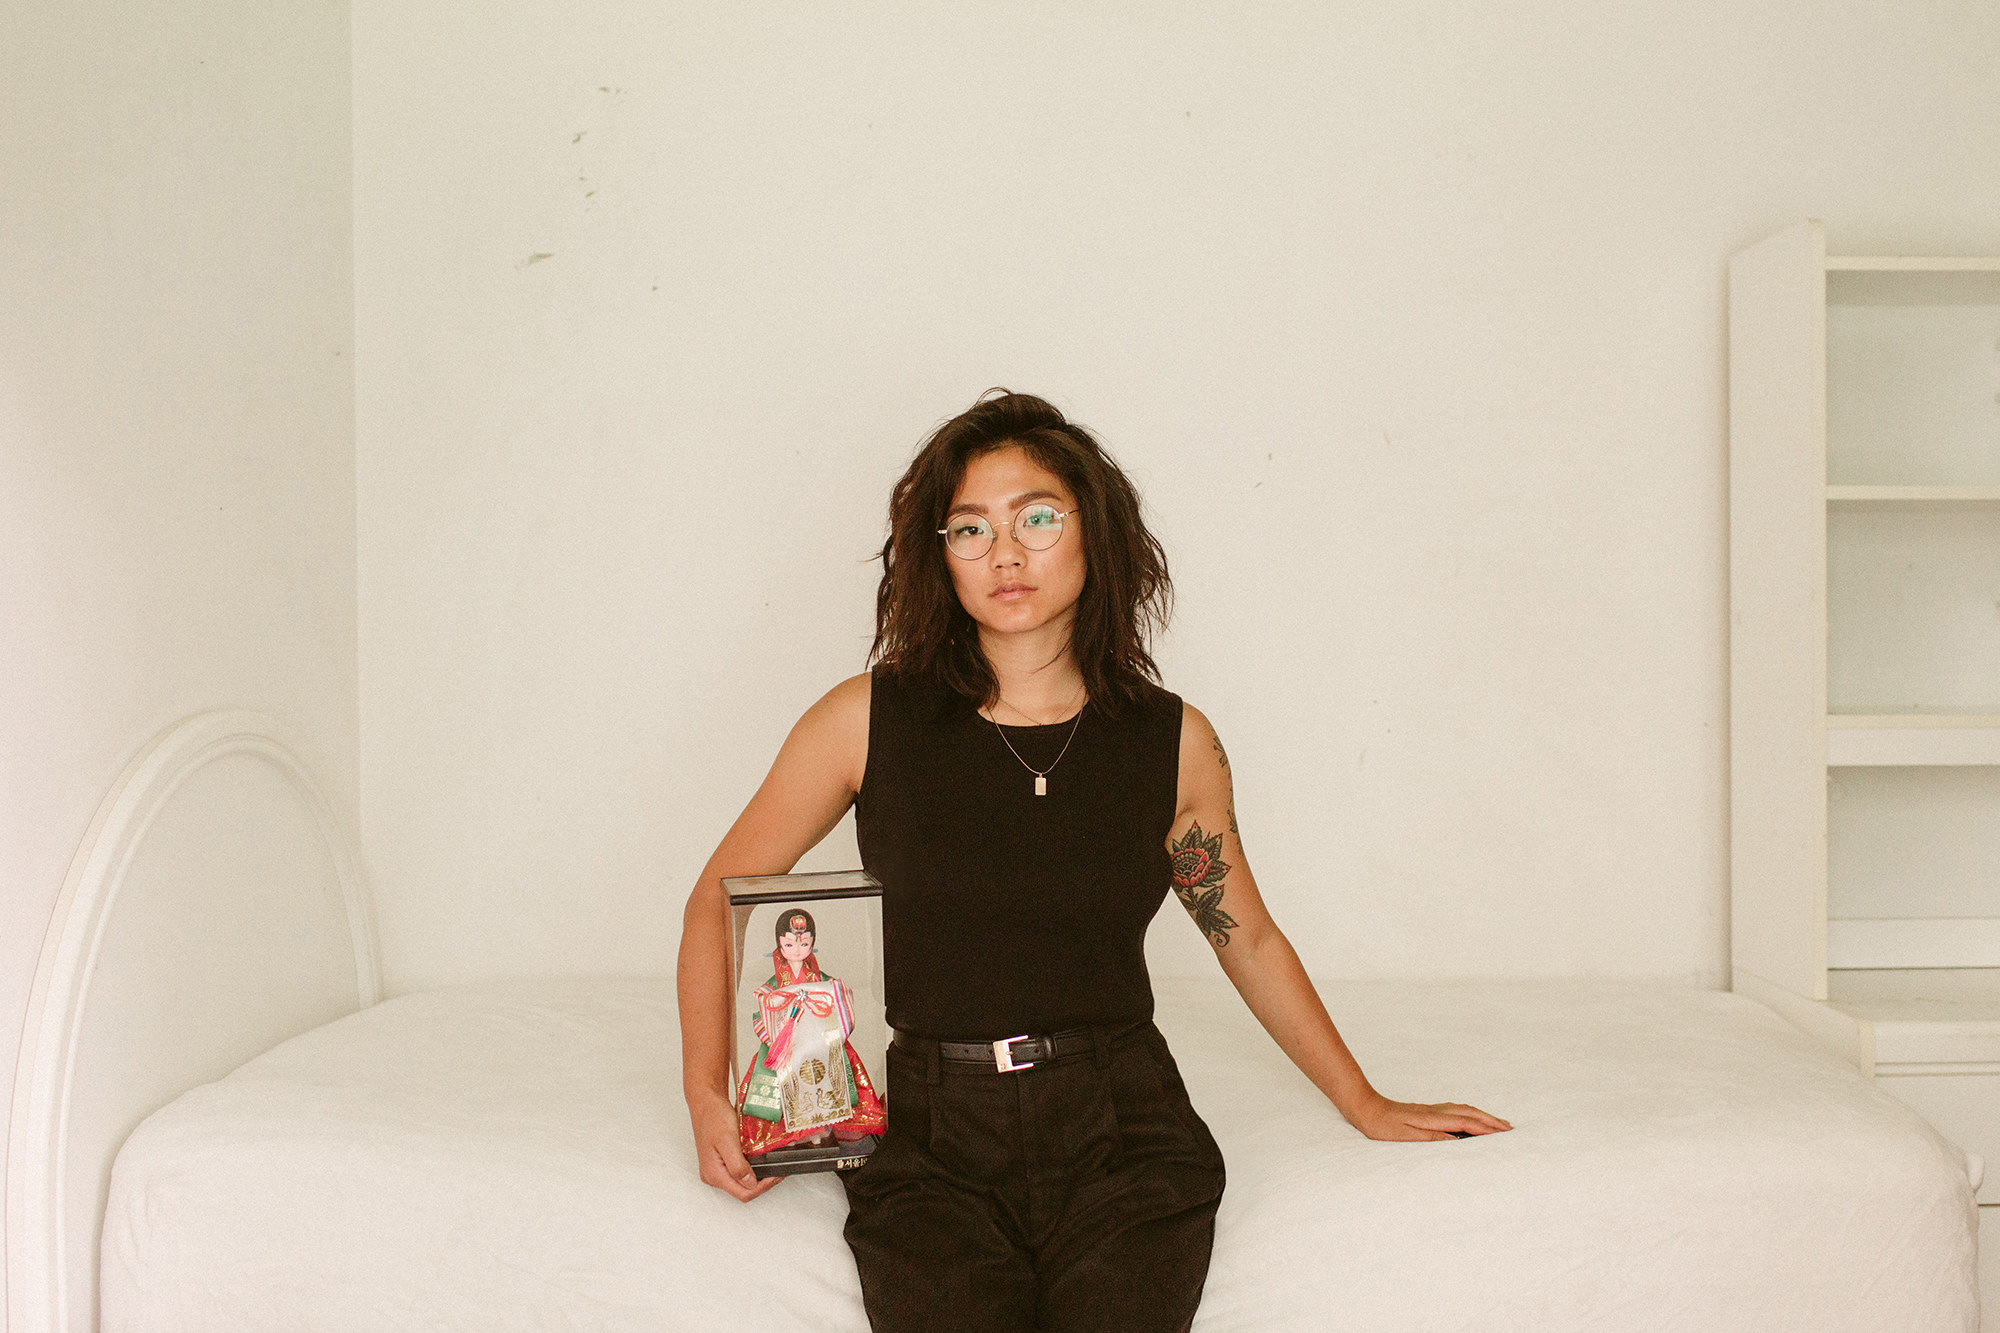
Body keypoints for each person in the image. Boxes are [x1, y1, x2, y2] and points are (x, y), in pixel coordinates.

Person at [677, 390, 1512, 1332]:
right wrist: (707, 1093)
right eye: (968, 528)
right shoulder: (865, 720)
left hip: (1123, 1128)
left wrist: (1363, 1099)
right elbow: (717, 900)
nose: (1005, 552)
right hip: (931, 1141)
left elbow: (1249, 936)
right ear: (936, 556)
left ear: (1094, 531)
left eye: (1037, 516)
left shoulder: (1170, 740)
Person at [734, 909, 887, 1160]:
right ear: (780, 944)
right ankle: (792, 1138)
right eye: (789, 943)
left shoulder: (821, 980)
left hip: (818, 1044)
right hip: (787, 1044)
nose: (797, 949)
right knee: (785, 1086)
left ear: (812, 944)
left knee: (827, 1079)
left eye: (804, 943)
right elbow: (764, 1003)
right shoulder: (775, 985)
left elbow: (838, 996)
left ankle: (823, 1131)